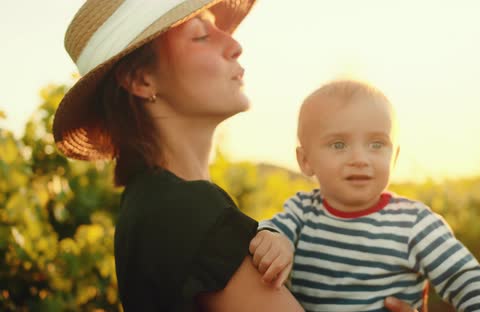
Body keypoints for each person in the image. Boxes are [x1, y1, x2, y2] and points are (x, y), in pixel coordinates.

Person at [53, 1, 418, 311]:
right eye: (200, 35)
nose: (234, 44)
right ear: (141, 80)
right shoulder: (184, 211)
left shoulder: (153, 202)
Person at [251, 80, 480, 311]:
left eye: (377, 144)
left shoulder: (414, 223)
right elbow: (270, 231)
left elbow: (466, 278)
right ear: (305, 160)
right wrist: (273, 239)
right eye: (339, 144)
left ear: (395, 157)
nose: (360, 159)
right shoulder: (301, 212)